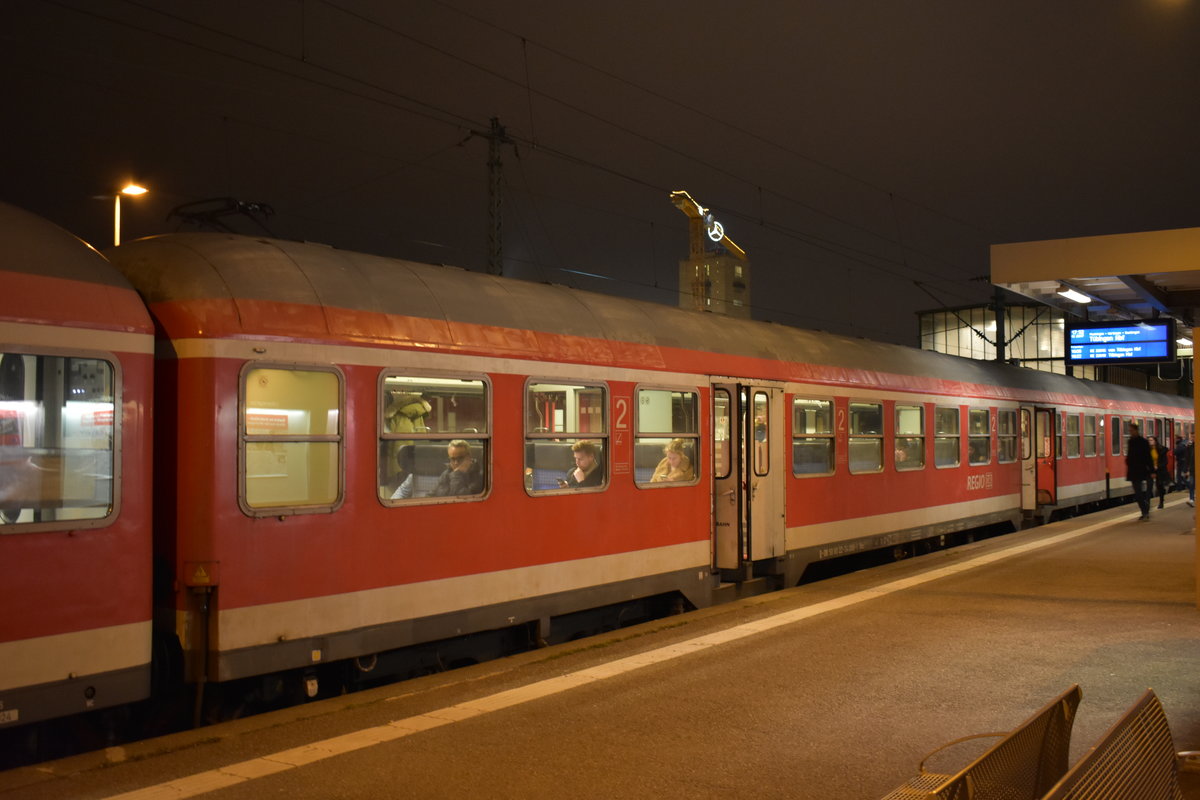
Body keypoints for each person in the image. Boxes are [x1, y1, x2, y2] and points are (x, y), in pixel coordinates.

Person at [1125, 423, 1154, 521]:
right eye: (1129, 431)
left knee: (1140, 492)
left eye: (1131, 430)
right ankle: (1144, 510)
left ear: (1136, 430)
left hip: (1142, 470)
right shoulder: (1130, 442)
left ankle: (1145, 512)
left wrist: (1152, 470)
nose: (1130, 432)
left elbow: (1148, 457)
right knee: (1138, 493)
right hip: (1133, 470)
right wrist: (1128, 462)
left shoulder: (1143, 442)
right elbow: (1129, 455)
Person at [1149, 435, 1170, 510]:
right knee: (1150, 486)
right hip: (1151, 471)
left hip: (1160, 471)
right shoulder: (1148, 450)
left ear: (1155, 441)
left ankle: (1161, 501)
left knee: (1159, 486)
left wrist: (1158, 466)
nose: (1150, 442)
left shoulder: (1161, 450)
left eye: (1151, 440)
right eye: (1149, 440)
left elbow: (1165, 461)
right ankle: (1148, 505)